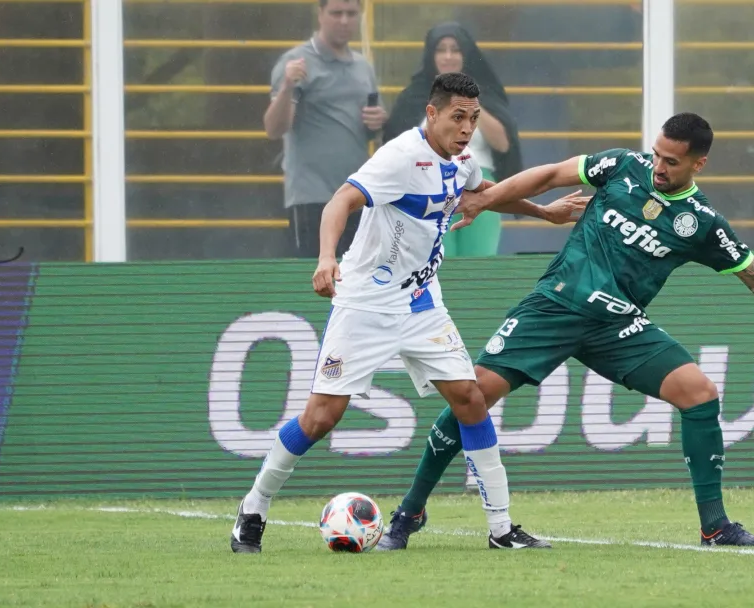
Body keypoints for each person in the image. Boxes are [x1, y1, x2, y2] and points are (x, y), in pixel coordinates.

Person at [376, 113, 754, 551]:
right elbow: (548, 176)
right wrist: (487, 201)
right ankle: (410, 514)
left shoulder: (703, 224)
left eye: (672, 161)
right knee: (472, 398)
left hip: (618, 325)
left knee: (700, 394)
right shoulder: (621, 166)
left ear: (699, 164)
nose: (658, 166)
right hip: (555, 306)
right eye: (657, 154)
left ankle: (715, 528)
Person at [230, 72, 589, 554]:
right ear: (433, 113)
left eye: (474, 119)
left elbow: (484, 193)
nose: (466, 129)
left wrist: (546, 213)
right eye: (458, 117)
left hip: (421, 303)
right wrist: (325, 258)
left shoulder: (461, 160)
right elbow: (342, 199)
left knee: (471, 398)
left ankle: (501, 529)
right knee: (320, 417)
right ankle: (253, 510)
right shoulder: (399, 157)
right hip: (365, 304)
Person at [383, 22, 521, 258]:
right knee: (437, 265)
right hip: (428, 190)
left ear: (466, 54)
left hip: (481, 188)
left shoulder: (484, 93)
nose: (448, 56)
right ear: (431, 55)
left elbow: (504, 144)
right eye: (441, 49)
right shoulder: (414, 97)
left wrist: (470, 101)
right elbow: (396, 147)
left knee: (479, 267)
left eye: (455, 49)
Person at [264, 0, 387, 259]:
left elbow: (371, 130)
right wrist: (287, 86)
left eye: (351, 14)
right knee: (313, 281)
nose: (344, 20)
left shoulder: (363, 66)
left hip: (356, 195)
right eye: (336, 13)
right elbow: (274, 128)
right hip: (312, 197)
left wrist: (376, 122)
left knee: (357, 281)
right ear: (320, 14)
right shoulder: (296, 63)